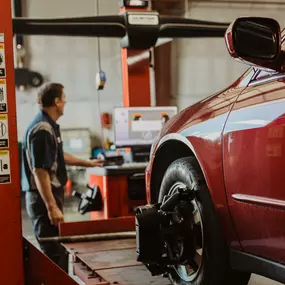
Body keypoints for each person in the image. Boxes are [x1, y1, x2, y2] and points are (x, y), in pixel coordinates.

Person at [21, 82, 103, 266]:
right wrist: (51, 206)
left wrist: (86, 162)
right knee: (54, 256)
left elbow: (56, 155)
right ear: (57, 101)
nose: (65, 103)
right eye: (64, 99)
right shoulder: (42, 129)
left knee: (58, 252)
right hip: (43, 199)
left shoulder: (48, 126)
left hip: (47, 196)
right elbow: (40, 170)